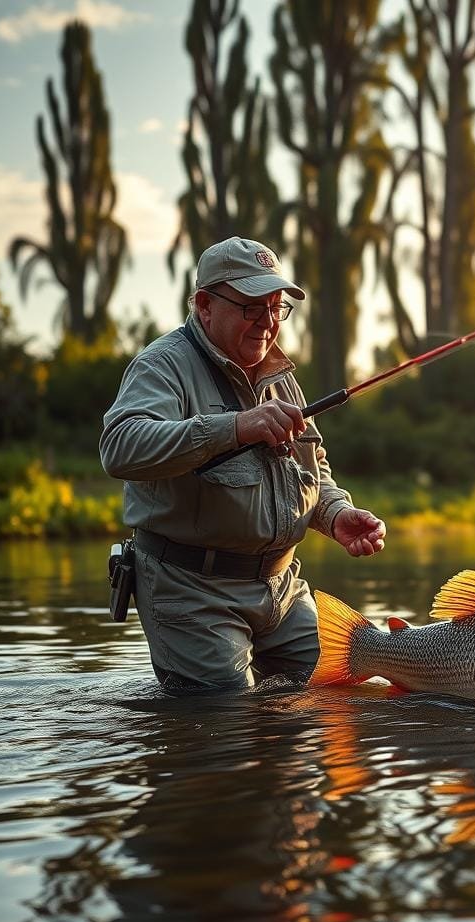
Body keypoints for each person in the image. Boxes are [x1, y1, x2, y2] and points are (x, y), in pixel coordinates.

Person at [100, 236, 386, 691]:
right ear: (204, 305)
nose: (267, 322)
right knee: (227, 718)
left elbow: (314, 467)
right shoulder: (162, 366)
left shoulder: (281, 377)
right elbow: (120, 447)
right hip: (192, 592)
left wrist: (335, 514)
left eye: (277, 308)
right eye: (252, 307)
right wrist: (234, 427)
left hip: (284, 590)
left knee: (347, 686)